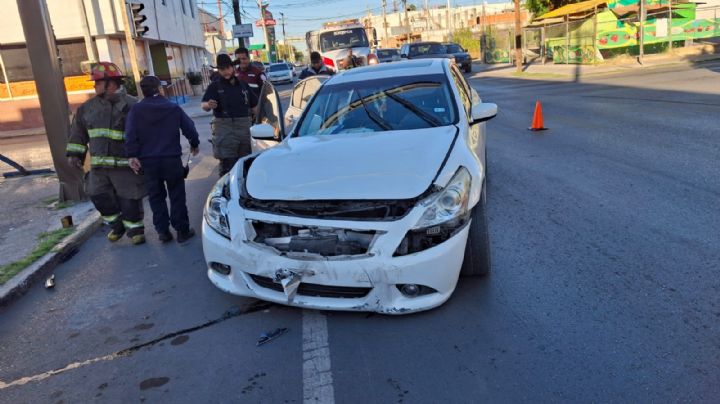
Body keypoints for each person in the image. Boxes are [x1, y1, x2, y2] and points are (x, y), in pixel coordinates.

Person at [66, 62, 146, 245]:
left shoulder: (133, 105)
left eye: (97, 83)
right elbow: (78, 132)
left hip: (126, 165)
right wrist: (75, 154)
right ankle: (117, 226)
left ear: (110, 84)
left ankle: (135, 230)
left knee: (129, 198)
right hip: (99, 166)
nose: (94, 87)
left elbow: (146, 134)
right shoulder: (87, 108)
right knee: (96, 194)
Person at [124, 76, 200, 244]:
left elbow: (130, 135)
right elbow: (189, 127)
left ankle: (163, 232)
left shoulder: (136, 110)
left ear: (142, 91)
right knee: (177, 195)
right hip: (171, 160)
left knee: (155, 196)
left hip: (148, 162)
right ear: (159, 89)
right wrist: (194, 144)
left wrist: (132, 155)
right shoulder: (172, 107)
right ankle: (182, 231)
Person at [202, 54, 258, 176]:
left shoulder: (243, 85)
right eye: (222, 69)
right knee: (228, 165)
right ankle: (227, 193)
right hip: (224, 130)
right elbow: (204, 105)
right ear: (219, 70)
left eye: (228, 68)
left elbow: (255, 107)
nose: (226, 72)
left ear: (233, 67)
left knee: (246, 163)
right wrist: (208, 105)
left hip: (244, 129)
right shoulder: (214, 86)